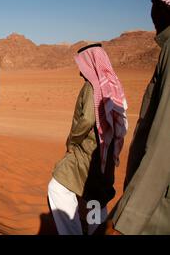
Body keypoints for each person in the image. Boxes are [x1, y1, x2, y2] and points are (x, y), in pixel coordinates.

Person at [110, 0, 170, 235]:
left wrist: (125, 223)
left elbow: (163, 146)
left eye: (154, 0)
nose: (152, 9)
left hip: (156, 213)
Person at [48, 44, 128, 235]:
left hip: (88, 150)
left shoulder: (91, 86)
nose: (80, 71)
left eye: (82, 65)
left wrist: (72, 140)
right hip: (105, 153)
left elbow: (88, 119)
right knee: (96, 198)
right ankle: (95, 232)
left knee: (57, 186)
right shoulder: (111, 83)